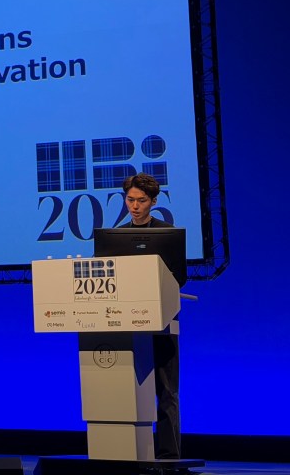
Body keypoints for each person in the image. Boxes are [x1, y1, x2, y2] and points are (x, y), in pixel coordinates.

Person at [119, 172, 181, 459]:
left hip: (162, 320)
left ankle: (169, 456)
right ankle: (127, 452)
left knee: (166, 392)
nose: (134, 206)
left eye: (141, 201)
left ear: (153, 202)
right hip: (125, 323)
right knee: (127, 389)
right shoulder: (116, 236)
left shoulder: (167, 233)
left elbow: (179, 277)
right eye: (130, 199)